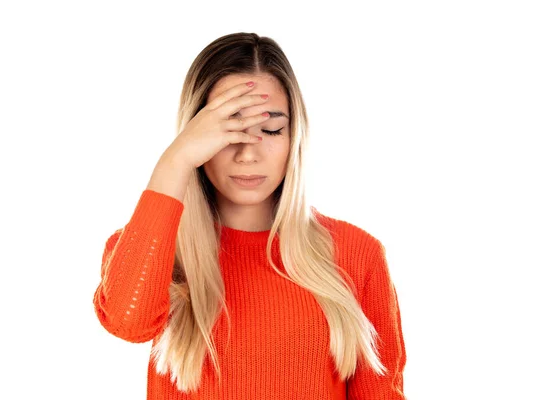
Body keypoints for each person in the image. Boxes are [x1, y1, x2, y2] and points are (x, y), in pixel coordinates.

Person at [93, 32, 407, 399]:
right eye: (228, 129)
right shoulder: (154, 246)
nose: (247, 154)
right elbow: (127, 323)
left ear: (295, 136)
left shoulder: (356, 254)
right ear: (195, 135)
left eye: (271, 129)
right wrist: (174, 161)